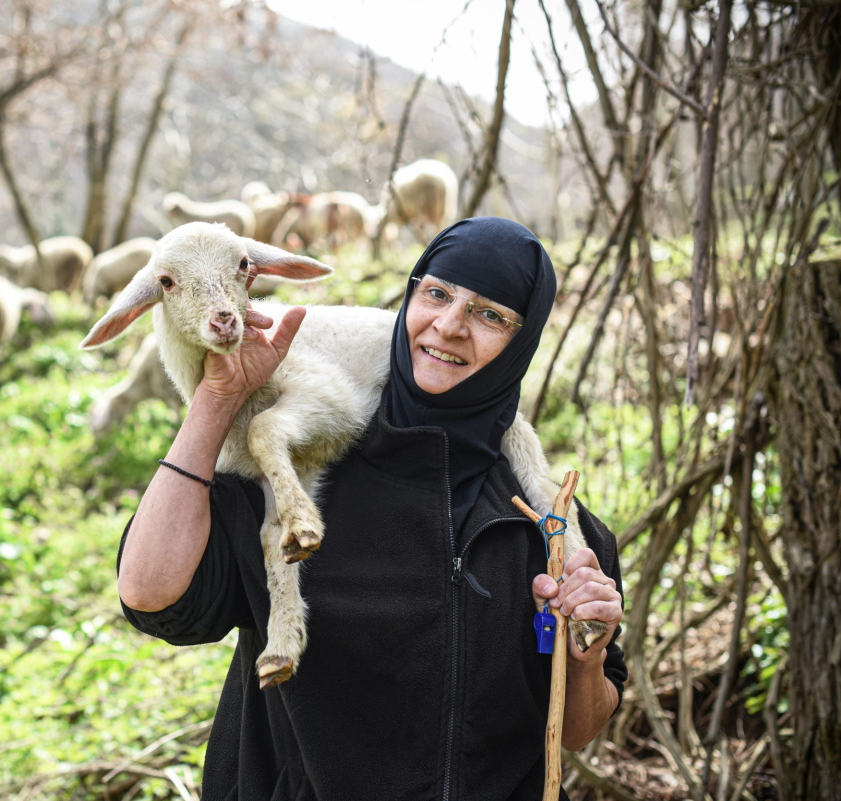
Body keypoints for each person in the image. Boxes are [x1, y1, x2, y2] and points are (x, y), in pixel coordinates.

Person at [117, 217, 627, 801]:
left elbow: (580, 729)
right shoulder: (300, 473)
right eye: (436, 294)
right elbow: (149, 592)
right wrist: (217, 400)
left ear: (524, 341)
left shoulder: (556, 530)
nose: (449, 326)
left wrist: (586, 658)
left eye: (490, 315)